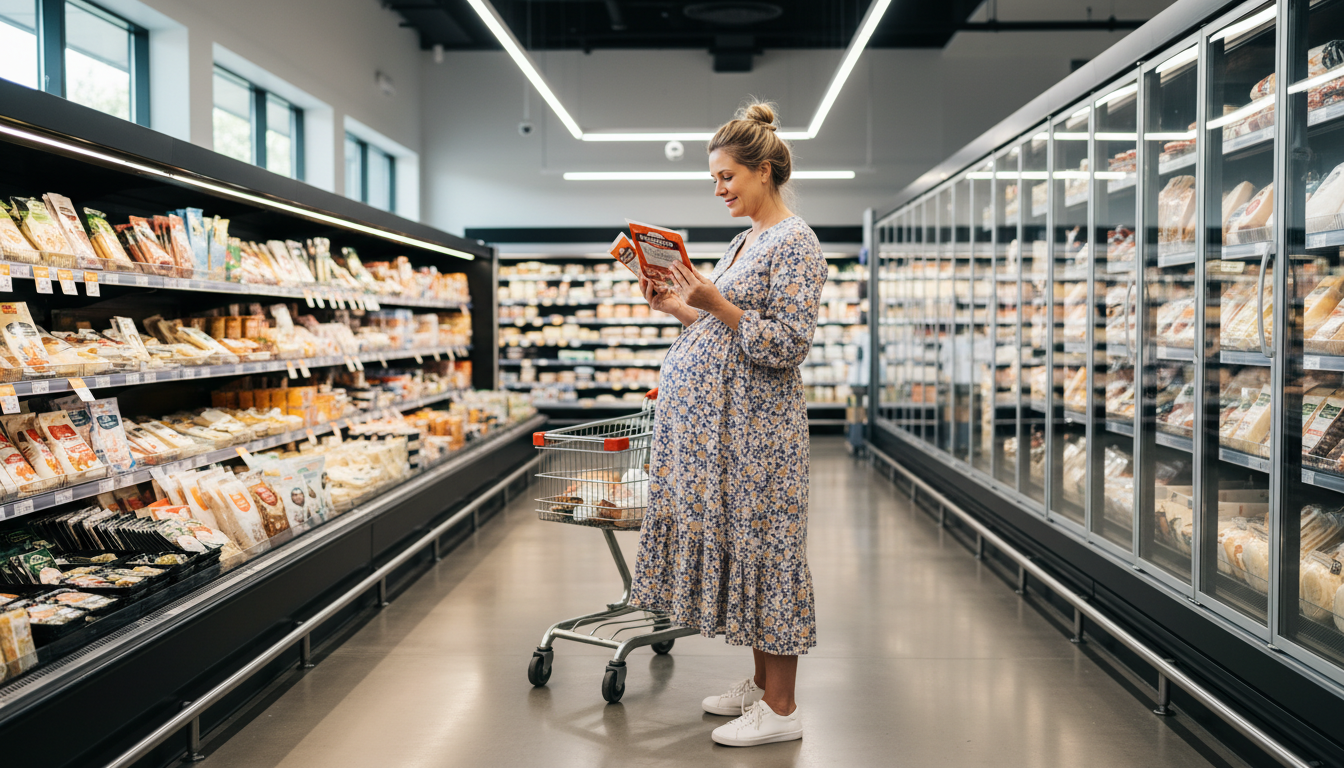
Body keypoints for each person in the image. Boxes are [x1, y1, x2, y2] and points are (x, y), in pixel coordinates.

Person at [628, 101, 826, 747]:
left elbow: (787, 344)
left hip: (757, 435)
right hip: (724, 433)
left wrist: (717, 301)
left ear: (764, 170)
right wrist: (678, 307)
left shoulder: (795, 242)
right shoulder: (747, 240)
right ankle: (763, 687)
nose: (718, 190)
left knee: (768, 549)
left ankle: (784, 710)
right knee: (745, 545)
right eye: (714, 178)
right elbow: (724, 332)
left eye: (726, 177)